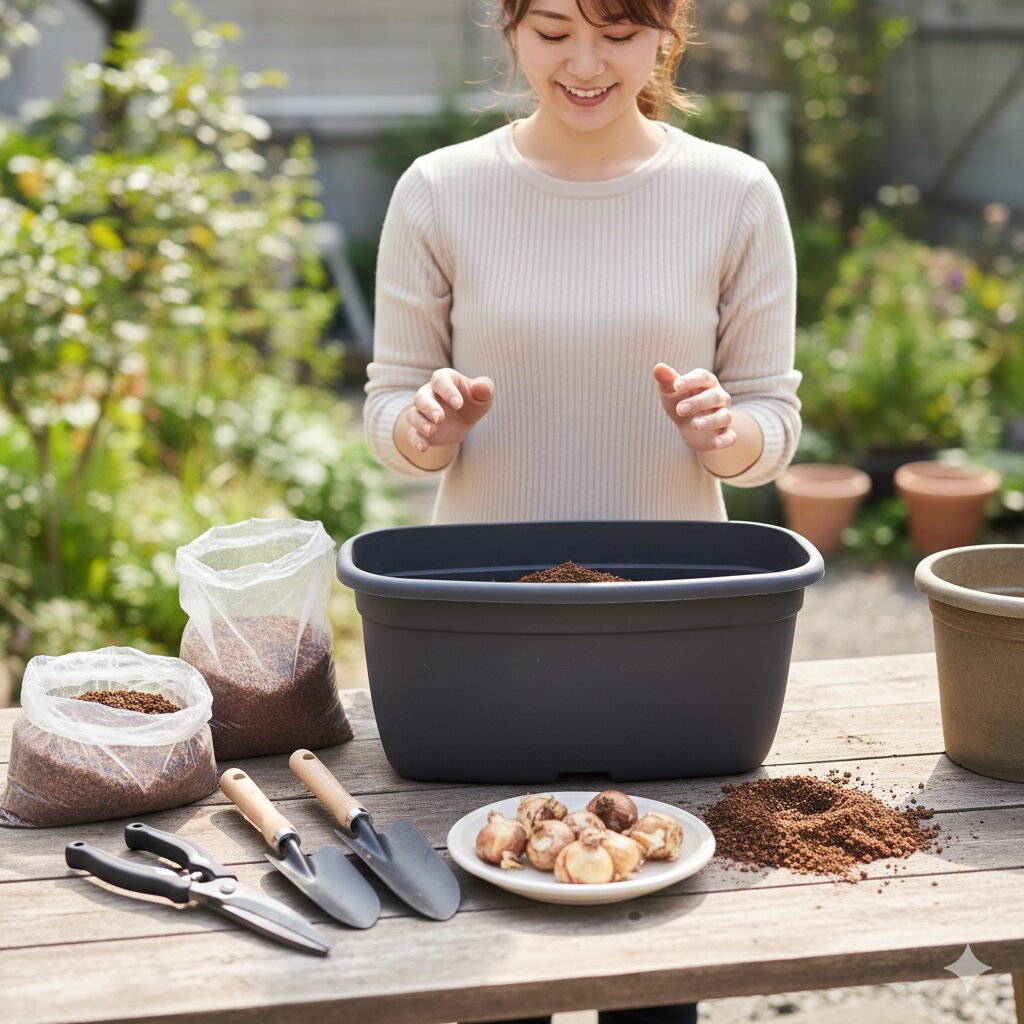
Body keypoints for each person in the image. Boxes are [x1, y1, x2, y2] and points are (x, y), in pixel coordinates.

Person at [364, 0, 800, 1020]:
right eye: (553, 31)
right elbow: (391, 406)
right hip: (481, 636)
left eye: (616, 30)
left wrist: (719, 433)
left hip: (668, 635)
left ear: (667, 34)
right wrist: (425, 423)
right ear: (508, 31)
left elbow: (770, 415)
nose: (585, 63)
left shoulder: (733, 191)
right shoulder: (441, 190)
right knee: (485, 948)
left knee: (645, 947)